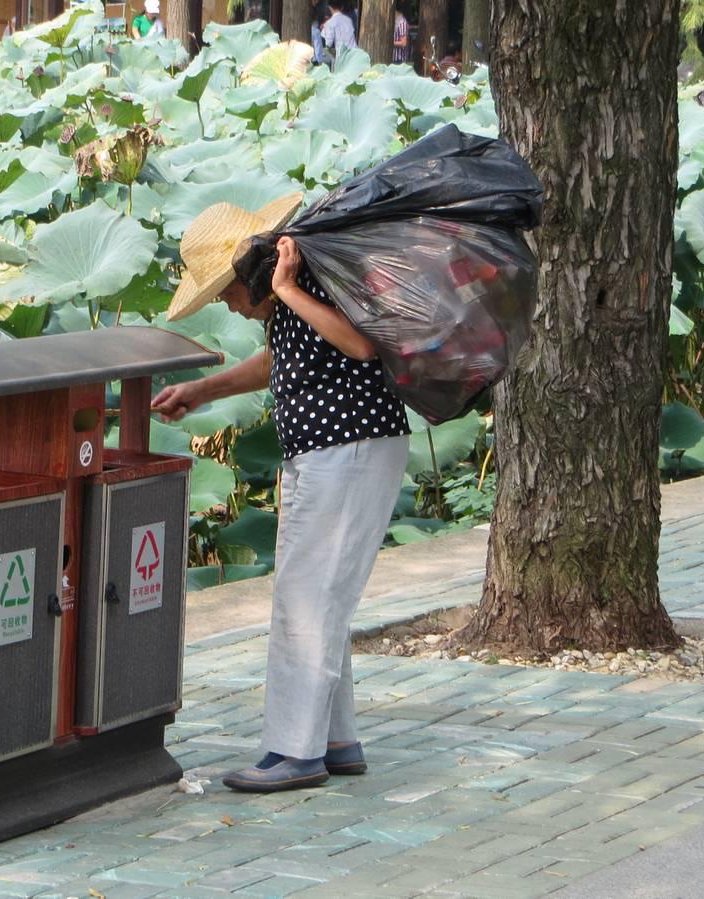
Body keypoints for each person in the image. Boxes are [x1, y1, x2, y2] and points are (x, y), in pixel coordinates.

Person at [154, 197, 411, 793]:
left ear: (249, 272)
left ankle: (296, 752)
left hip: (348, 446)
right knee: (319, 595)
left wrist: (289, 289)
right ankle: (335, 740)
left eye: (225, 291)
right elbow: (285, 358)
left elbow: (360, 343)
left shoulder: (304, 278)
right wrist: (204, 391)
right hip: (325, 450)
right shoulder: (289, 292)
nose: (225, 304)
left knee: (307, 598)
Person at [320, 0, 357, 66]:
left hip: (342, 57)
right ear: (342, 7)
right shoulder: (349, 20)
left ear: (329, 7)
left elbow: (328, 44)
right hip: (354, 53)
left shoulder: (330, 23)